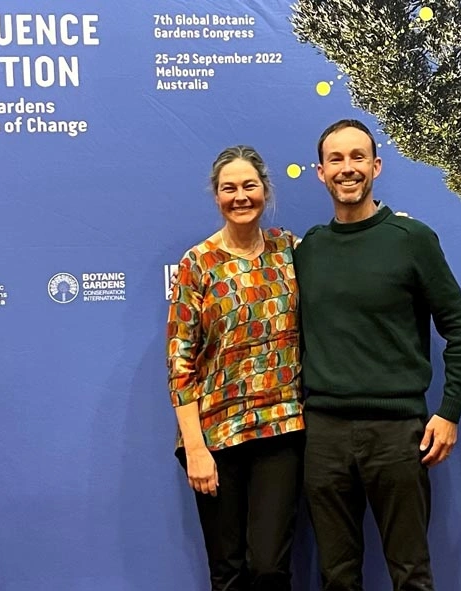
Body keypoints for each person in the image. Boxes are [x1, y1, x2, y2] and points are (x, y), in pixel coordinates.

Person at [294, 119, 461, 590]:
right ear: (320, 172)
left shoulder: (411, 239)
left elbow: (459, 328)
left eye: (358, 157)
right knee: (337, 577)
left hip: (398, 435)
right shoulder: (309, 249)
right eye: (336, 159)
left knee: (410, 573)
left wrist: (450, 412)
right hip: (324, 435)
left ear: (376, 166)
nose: (347, 168)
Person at [167, 145, 305, 591]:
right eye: (229, 188)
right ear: (216, 196)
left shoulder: (292, 251)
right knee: (227, 570)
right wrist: (195, 448)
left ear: (265, 190)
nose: (240, 196)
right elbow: (180, 361)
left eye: (249, 185)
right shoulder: (197, 263)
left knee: (269, 568)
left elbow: (349, 258)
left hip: (281, 426)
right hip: (215, 434)